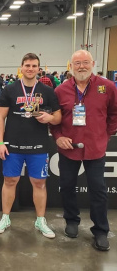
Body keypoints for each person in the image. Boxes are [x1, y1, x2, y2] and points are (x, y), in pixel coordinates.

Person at [50, 50, 117, 251]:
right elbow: (55, 120)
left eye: (85, 62)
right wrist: (58, 137)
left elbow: (114, 114)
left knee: (98, 190)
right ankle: (71, 221)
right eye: (77, 63)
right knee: (67, 186)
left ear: (93, 63)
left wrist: (105, 135)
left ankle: (101, 230)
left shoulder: (108, 87)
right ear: (71, 66)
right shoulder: (60, 90)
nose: (81, 66)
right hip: (69, 149)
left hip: (95, 149)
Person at [0, 53, 61, 238]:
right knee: (10, 181)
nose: (30, 69)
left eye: (34, 66)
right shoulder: (10, 89)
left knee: (39, 183)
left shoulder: (47, 91)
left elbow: (58, 117)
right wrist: (0, 142)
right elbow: (0, 117)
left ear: (39, 69)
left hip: (38, 146)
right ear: (21, 67)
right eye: (27, 65)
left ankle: (40, 220)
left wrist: (50, 118)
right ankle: (5, 217)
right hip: (12, 145)